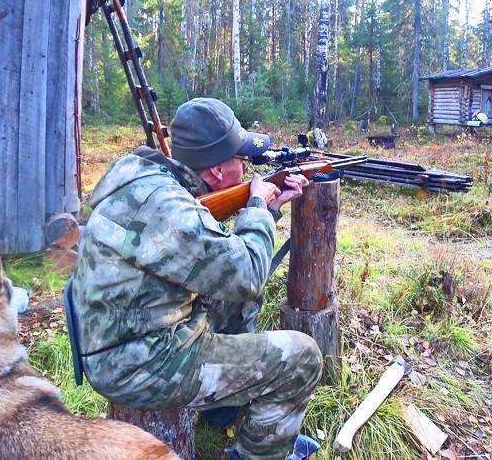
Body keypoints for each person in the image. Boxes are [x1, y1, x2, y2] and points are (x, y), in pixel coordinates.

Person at [73, 98, 323, 460]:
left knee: (236, 299)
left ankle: (221, 408)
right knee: (303, 357)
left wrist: (269, 208)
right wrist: (256, 208)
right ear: (218, 173)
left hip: (121, 336)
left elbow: (216, 262)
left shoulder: (149, 179)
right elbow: (248, 275)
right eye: (243, 161)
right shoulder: (173, 211)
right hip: (140, 366)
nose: (249, 169)